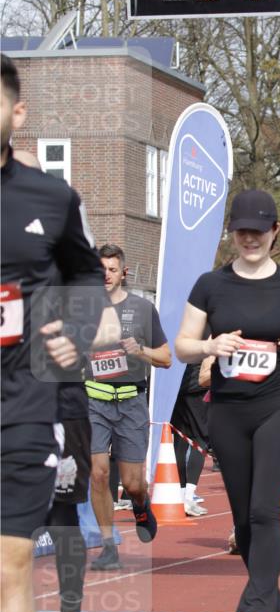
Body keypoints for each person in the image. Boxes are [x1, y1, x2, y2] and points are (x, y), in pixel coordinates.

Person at [1, 54, 107, 612]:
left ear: (17, 114)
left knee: (8, 563)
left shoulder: (50, 195)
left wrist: (73, 323)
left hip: (24, 399)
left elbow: (88, 274)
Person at [174, 189, 280, 612]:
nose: (250, 238)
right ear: (232, 233)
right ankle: (270, 602)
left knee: (263, 509)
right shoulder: (209, 285)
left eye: (259, 230)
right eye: (242, 231)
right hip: (229, 408)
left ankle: (253, 607)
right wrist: (209, 348)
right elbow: (182, 345)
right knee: (242, 519)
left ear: (275, 231)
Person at [87, 244, 171, 570]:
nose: (105, 274)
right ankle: (109, 546)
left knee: (132, 482)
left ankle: (140, 505)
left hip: (132, 402)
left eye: (111, 269)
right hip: (94, 401)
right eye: (101, 269)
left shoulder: (142, 308)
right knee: (98, 474)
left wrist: (140, 351)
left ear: (124, 272)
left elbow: (165, 358)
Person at [171, 362, 210, 517]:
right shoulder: (207, 338)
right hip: (198, 388)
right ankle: (187, 497)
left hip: (177, 388)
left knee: (180, 440)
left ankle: (181, 496)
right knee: (200, 439)